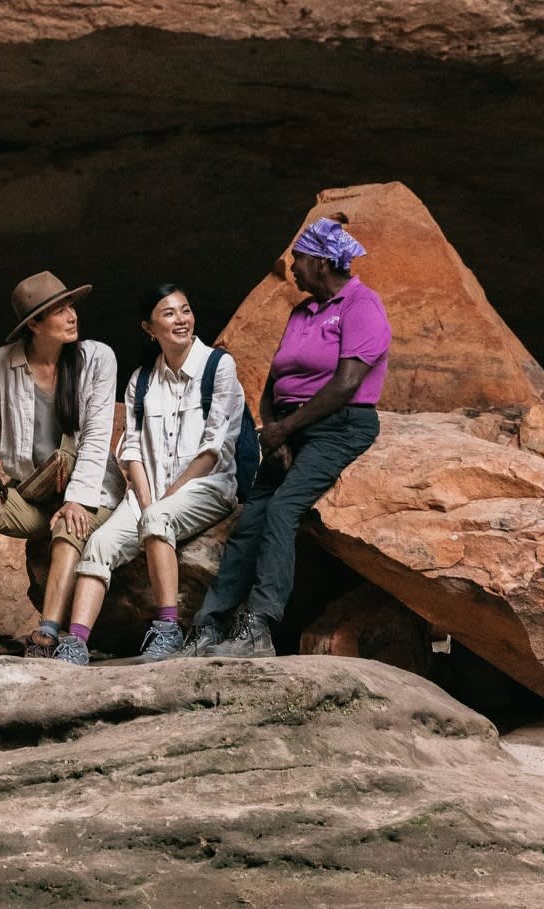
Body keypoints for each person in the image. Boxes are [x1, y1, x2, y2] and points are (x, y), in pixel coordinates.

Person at [192, 215, 391, 658]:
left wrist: (287, 428)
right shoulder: (301, 312)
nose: (291, 267)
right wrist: (275, 431)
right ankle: (207, 628)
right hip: (290, 428)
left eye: (297, 258)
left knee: (283, 508)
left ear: (321, 262)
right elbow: (273, 382)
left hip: (338, 426)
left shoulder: (362, 305)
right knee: (251, 521)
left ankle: (258, 628)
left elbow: (346, 385)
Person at [51, 283, 244, 665]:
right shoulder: (142, 380)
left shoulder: (218, 366)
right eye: (169, 314)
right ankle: (75, 644)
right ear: (149, 328)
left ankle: (168, 629)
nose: (181, 320)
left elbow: (214, 448)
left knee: (157, 518)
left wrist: (164, 500)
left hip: (207, 487)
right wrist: (144, 498)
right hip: (149, 493)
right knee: (99, 543)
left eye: (185, 310)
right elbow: (133, 449)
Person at [0, 271, 124, 656]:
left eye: (71, 306)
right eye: (59, 311)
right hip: (34, 494)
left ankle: (47, 634)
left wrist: (76, 499)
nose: (72, 316)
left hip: (91, 492)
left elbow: (97, 436)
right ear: (34, 324)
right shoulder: (0, 364)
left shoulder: (97, 358)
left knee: (70, 525)